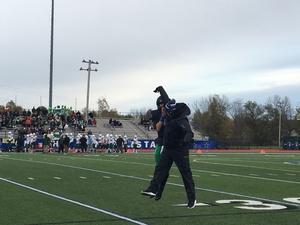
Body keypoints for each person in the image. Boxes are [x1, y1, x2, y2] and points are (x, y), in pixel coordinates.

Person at [141, 98, 197, 209]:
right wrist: (160, 89)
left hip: (179, 150)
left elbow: (189, 133)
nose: (163, 111)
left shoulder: (181, 119)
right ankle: (153, 189)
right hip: (168, 148)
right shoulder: (167, 116)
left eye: (165, 110)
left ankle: (192, 198)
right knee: (160, 169)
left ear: (170, 111)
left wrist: (185, 141)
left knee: (185, 174)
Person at [148, 85, 170, 200]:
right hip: (162, 141)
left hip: (172, 141)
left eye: (164, 105)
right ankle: (157, 191)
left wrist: (161, 89)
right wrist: (162, 117)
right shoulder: (156, 114)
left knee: (184, 170)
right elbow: (157, 128)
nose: (162, 107)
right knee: (159, 167)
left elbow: (168, 99)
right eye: (160, 105)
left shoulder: (171, 110)